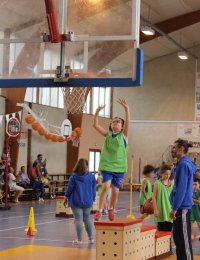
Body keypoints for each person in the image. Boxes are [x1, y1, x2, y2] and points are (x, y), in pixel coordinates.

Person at [93, 98, 130, 221]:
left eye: (118, 122)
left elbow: (128, 121)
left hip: (119, 167)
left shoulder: (123, 136)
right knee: (105, 187)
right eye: (113, 121)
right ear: (111, 125)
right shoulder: (107, 134)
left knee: (115, 192)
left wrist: (126, 108)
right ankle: (99, 210)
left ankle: (111, 208)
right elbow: (95, 125)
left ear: (122, 126)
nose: (115, 123)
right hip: (107, 166)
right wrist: (97, 112)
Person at [170, 139, 197, 260]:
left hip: (182, 208)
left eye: (174, 147)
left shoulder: (184, 165)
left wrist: (175, 208)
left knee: (184, 244)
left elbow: (181, 189)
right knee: (179, 241)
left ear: (181, 149)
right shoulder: (181, 164)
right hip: (180, 208)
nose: (172, 149)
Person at [64, 159, 96, 244]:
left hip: (76, 201)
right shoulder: (91, 176)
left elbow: (69, 188)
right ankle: (91, 238)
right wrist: (92, 198)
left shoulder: (74, 176)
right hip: (88, 201)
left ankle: (79, 239)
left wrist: (66, 197)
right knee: (87, 219)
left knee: (78, 219)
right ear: (87, 166)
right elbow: (94, 189)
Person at [152, 164, 174, 231]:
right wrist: (155, 209)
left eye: (169, 174)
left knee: (169, 233)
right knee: (161, 233)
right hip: (160, 211)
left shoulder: (172, 183)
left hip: (169, 211)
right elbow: (154, 197)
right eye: (166, 174)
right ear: (161, 174)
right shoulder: (157, 183)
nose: (168, 176)